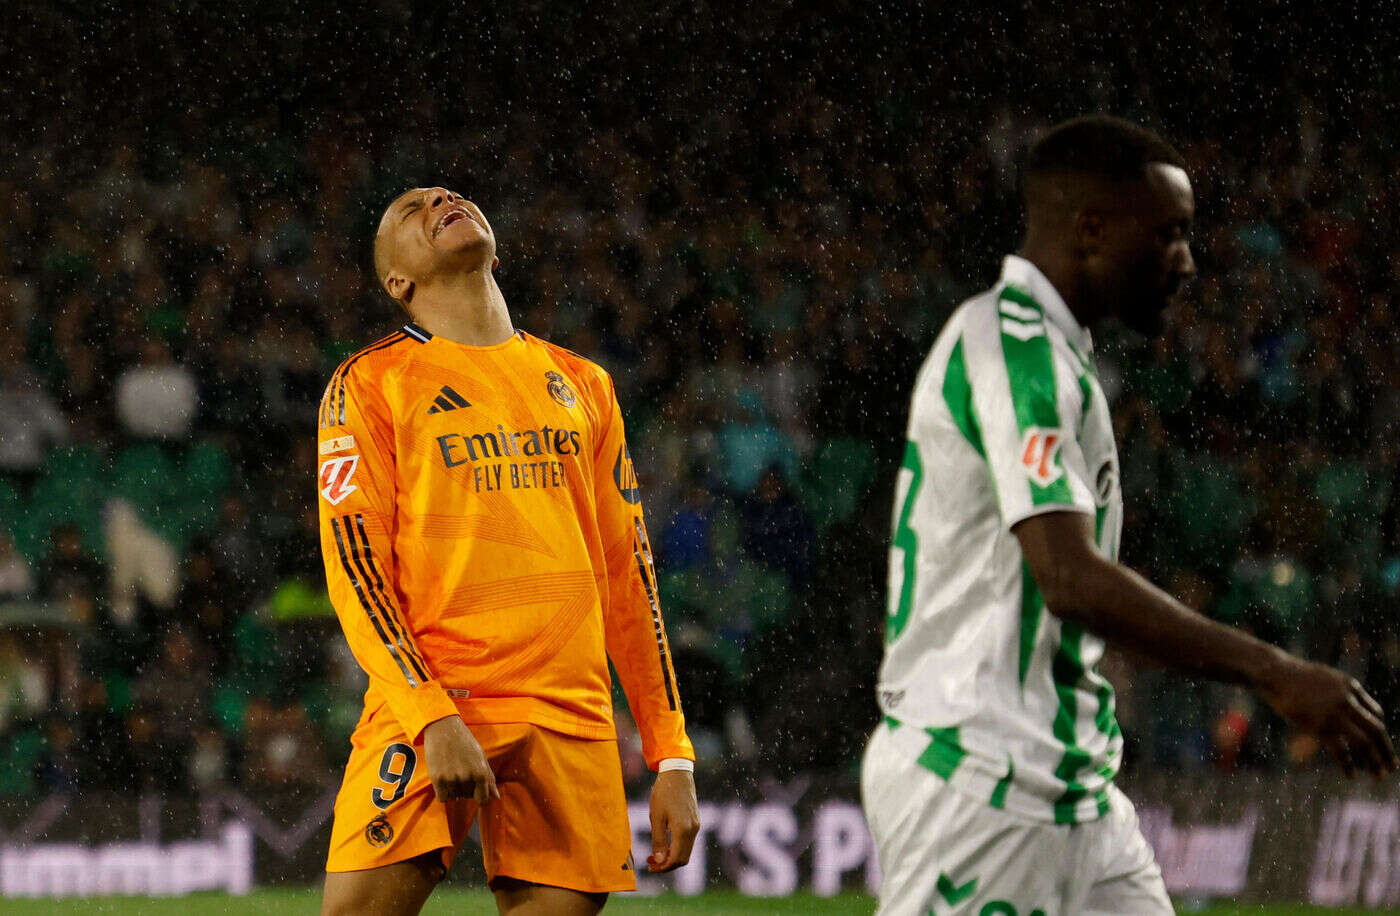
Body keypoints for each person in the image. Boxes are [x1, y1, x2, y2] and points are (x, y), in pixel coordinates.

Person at [861, 115, 1397, 916]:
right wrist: (1273, 671)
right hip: (982, 782)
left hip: (1070, 785)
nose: (1186, 261)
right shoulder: (1017, 349)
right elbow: (1070, 578)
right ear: (1091, 230)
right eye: (1171, 234)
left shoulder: (1051, 350)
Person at [318, 188, 698, 916]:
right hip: (442, 693)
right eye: (413, 210)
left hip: (569, 714)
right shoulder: (368, 385)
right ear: (399, 282)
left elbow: (631, 578)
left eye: (450, 195)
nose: (441, 200)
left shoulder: (585, 383)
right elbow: (356, 572)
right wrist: (432, 716)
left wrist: (670, 753)